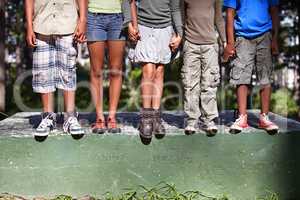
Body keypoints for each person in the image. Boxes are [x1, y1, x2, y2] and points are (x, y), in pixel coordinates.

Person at [122, 0, 183, 140]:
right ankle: (146, 118)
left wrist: (180, 33)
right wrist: (129, 24)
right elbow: (127, 1)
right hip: (144, 26)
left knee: (159, 71)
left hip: (166, 28)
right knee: (148, 70)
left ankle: (156, 116)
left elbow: (175, 9)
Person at [25, 0, 87, 136]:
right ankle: (48, 117)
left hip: (67, 23)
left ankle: (70, 117)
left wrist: (82, 20)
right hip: (42, 23)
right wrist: (29, 26)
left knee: (68, 70)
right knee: (43, 72)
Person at [223, 0, 280, 134]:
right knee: (241, 76)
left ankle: (264, 118)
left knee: (265, 75)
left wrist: (275, 38)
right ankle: (242, 117)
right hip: (242, 36)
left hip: (265, 35)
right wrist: (230, 43)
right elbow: (230, 13)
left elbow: (274, 11)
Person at [181, 0, 226, 136]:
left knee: (209, 83)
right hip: (190, 44)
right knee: (190, 83)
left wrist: (224, 41)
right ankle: (191, 120)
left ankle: (209, 120)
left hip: (210, 45)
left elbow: (218, 18)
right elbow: (182, 19)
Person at [87, 0, 126, 134]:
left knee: (116, 70)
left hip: (118, 17)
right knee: (96, 71)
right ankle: (99, 117)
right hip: (94, 16)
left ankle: (112, 117)